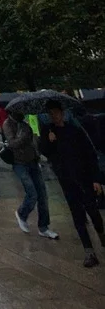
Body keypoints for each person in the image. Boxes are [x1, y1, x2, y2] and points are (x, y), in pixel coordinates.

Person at [39, 99, 104, 267]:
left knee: (93, 212)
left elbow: (89, 154)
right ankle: (89, 251)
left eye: (55, 113)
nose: (53, 116)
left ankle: (101, 233)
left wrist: (96, 179)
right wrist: (48, 140)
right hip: (66, 181)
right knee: (78, 216)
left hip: (84, 178)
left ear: (62, 113)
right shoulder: (48, 133)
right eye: (50, 114)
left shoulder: (74, 130)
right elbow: (45, 152)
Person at [4, 109, 58, 240]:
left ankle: (44, 227)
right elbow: (12, 143)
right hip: (19, 163)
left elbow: (32, 139)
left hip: (32, 160)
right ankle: (22, 213)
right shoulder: (8, 124)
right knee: (32, 193)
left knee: (42, 194)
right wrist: (24, 134)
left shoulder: (25, 123)